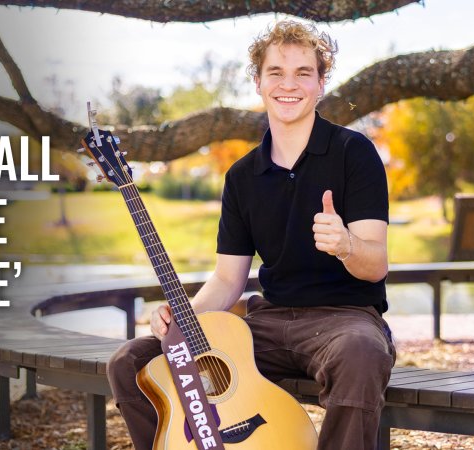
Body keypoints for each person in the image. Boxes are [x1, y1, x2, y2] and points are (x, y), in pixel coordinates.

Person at [107, 20, 396, 450]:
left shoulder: (354, 153)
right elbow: (227, 280)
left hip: (346, 319)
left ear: (320, 83)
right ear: (258, 82)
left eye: (303, 73)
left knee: (361, 354)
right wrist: (180, 315)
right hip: (268, 322)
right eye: (276, 72)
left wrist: (347, 245)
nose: (288, 84)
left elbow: (375, 267)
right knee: (132, 361)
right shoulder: (242, 175)